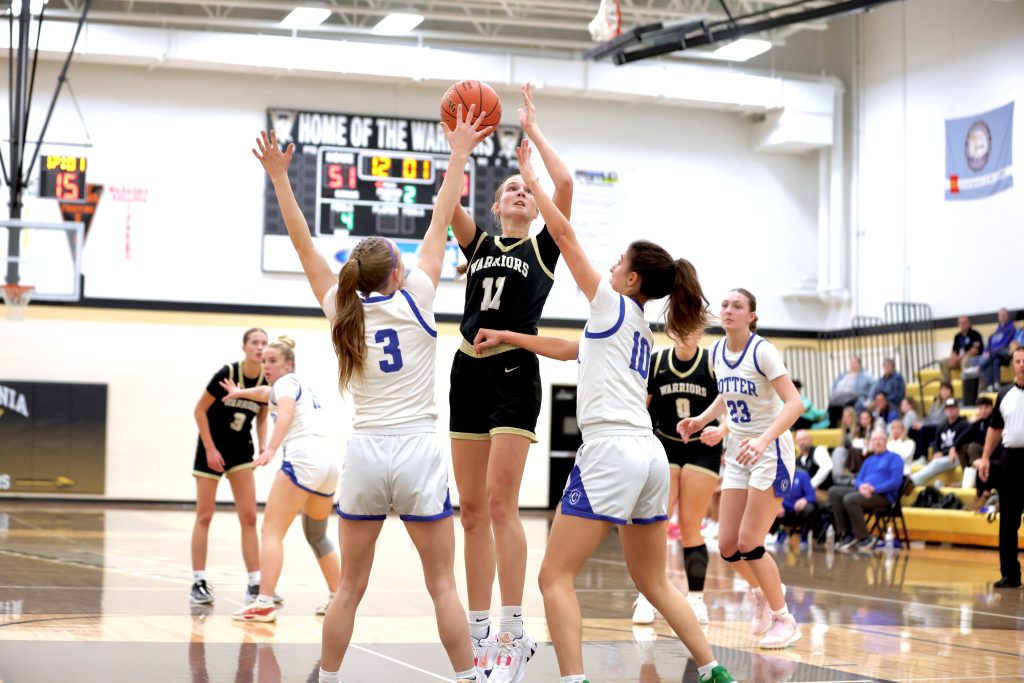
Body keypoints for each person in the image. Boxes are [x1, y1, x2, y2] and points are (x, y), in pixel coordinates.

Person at [473, 141, 735, 683]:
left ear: (632, 279)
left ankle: (574, 680)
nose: (610, 266)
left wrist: (531, 172)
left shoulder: (611, 302)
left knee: (554, 576)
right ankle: (712, 670)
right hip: (651, 457)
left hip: (612, 451)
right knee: (654, 582)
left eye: (619, 262)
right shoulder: (634, 322)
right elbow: (573, 349)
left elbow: (564, 236)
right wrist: (509, 336)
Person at [254, 111, 490, 683]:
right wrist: (458, 152)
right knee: (442, 585)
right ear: (396, 273)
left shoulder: (342, 310)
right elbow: (441, 219)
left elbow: (304, 242)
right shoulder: (420, 298)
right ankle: (469, 679)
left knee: (350, 589)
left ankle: (329, 678)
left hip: (363, 451)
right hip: (416, 449)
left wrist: (282, 179)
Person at [444, 84, 573, 681]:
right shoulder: (480, 244)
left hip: (515, 373)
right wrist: (460, 151)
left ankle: (514, 629)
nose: (520, 194)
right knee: (469, 510)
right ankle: (476, 630)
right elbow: (446, 211)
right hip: (467, 368)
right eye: (511, 192)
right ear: (497, 208)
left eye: (525, 191)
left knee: (500, 503)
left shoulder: (544, 248)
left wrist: (533, 151)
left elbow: (564, 189)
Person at [679, 288, 804, 650]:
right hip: (737, 451)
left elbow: (793, 403)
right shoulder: (718, 351)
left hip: (770, 451)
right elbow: (730, 397)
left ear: (751, 315)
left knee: (751, 542)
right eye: (725, 305)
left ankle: (785, 619)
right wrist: (704, 420)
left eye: (737, 306)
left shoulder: (762, 350)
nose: (729, 310)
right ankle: (762, 591)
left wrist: (764, 440)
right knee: (729, 545)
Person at [222, 337, 341, 622]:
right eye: (263, 361)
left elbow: (284, 411)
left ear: (289, 364)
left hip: (302, 458)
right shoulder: (298, 384)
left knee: (271, 532)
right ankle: (339, 597)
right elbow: (266, 393)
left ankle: (264, 602)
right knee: (317, 534)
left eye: (272, 361)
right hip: (328, 463)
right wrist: (241, 392)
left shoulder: (285, 384)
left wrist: (271, 448)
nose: (266, 366)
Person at [632, 328, 727, 627]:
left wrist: (721, 430)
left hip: (703, 449)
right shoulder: (658, 362)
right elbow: (639, 407)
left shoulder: (712, 363)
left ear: (700, 330)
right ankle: (647, 596)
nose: (686, 332)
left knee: (690, 526)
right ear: (672, 330)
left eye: (692, 326)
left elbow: (731, 407)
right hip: (664, 446)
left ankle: (696, 599)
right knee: (657, 522)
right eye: (680, 326)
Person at [190, 327, 270, 606]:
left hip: (240, 450)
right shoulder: (227, 373)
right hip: (211, 446)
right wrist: (210, 449)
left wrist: (263, 445)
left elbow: (261, 416)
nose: (260, 347)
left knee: (249, 517)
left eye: (263, 343)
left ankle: (255, 583)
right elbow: (199, 410)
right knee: (205, 515)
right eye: (255, 342)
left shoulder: (264, 378)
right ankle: (198, 581)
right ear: (244, 346)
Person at [977, 347, 1024, 588]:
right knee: (1008, 522)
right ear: (1013, 364)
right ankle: (1010, 574)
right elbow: (995, 428)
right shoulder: (1004, 394)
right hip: (1011, 461)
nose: (1022, 365)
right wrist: (985, 457)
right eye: (1018, 361)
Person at [830, 430, 904, 551]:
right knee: (834, 492)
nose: (877, 442)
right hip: (865, 492)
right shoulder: (869, 460)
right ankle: (846, 534)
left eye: (880, 439)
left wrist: (874, 488)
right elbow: (858, 479)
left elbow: (896, 481)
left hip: (883, 496)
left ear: (886, 441)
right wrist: (861, 486)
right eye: (874, 440)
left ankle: (864, 538)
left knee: (850, 499)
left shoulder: (895, 458)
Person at [910, 398, 969, 487]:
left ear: (958, 409)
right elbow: (936, 443)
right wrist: (936, 452)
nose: (951, 411)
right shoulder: (942, 425)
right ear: (945, 411)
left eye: (953, 408)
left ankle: (911, 481)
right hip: (943, 457)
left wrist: (943, 453)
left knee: (936, 463)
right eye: (948, 408)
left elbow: (961, 444)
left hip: (957, 457)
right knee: (936, 462)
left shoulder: (964, 425)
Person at [970, 308, 1016, 391]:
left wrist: (989, 353)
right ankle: (994, 384)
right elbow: (988, 345)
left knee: (992, 356)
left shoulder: (1011, 328)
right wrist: (985, 352)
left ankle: (979, 366)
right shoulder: (995, 331)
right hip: (994, 356)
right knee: (993, 360)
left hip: (1004, 353)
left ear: (1007, 316)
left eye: (1004, 315)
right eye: (1000, 315)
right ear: (998, 317)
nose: (1002, 317)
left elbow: (1007, 344)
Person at [770, 468, 818, 543]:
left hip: (797, 512)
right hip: (782, 511)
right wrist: (777, 505)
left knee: (810, 508)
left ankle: (803, 533)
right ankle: (776, 533)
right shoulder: (776, 475)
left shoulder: (803, 475)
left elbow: (812, 496)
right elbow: (770, 495)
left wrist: (804, 500)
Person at [827, 355, 874, 426]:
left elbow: (875, 384)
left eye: (854, 362)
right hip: (838, 398)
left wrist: (869, 398)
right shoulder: (843, 375)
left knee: (845, 408)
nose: (852, 364)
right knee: (832, 407)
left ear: (859, 364)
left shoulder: (865, 375)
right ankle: (832, 428)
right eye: (851, 362)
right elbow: (834, 385)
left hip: (852, 398)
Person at [940, 315, 983, 383]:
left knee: (965, 360)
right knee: (944, 361)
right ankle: (946, 386)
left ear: (969, 323)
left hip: (969, 360)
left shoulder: (975, 334)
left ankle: (966, 385)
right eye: (960, 323)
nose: (962, 325)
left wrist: (959, 358)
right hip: (958, 360)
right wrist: (953, 358)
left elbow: (974, 351)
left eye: (964, 323)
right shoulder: (957, 336)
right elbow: (954, 351)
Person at [794, 429, 834, 494]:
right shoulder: (797, 461)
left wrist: (810, 486)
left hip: (824, 491)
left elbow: (827, 466)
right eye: (799, 440)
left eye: (804, 439)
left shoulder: (818, 450)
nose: (802, 442)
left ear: (810, 439)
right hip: (806, 494)